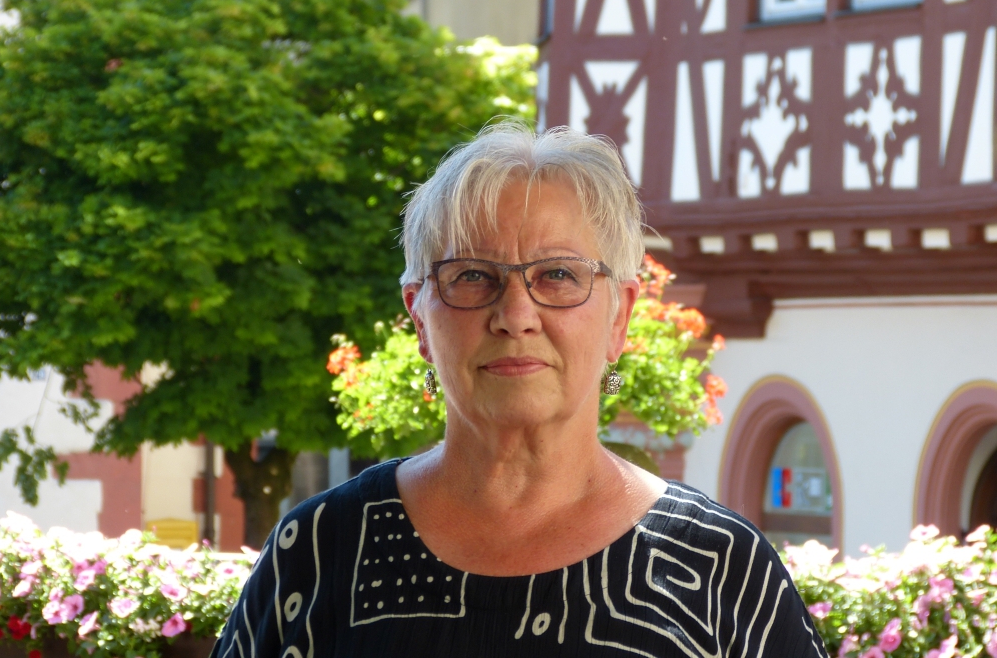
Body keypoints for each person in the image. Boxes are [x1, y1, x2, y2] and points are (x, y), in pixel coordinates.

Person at [210, 124, 827, 657]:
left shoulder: (722, 569)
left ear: (619, 316)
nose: (516, 315)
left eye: (557, 274)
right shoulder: (319, 551)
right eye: (471, 276)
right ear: (420, 319)